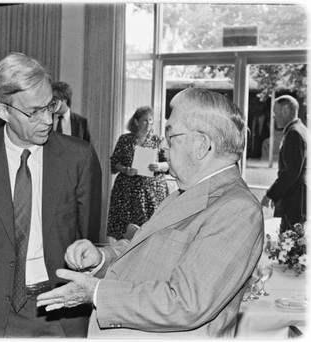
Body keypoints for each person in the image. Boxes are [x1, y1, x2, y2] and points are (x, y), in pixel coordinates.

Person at [37, 87, 264, 338]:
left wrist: (96, 292)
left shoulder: (237, 209)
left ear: (202, 145)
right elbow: (143, 248)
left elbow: (186, 303)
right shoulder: (186, 192)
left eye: (171, 134)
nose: (164, 144)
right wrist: (101, 257)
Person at [0, 52, 102, 337]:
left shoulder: (79, 157)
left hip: (63, 306)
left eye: (50, 106)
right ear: (3, 111)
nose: (47, 120)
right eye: (34, 111)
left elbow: (86, 234)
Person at [106, 106, 169, 240]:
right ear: (136, 122)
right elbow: (114, 162)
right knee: (125, 233)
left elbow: (169, 164)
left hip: (151, 193)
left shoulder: (159, 140)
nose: (148, 124)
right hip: (126, 193)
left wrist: (158, 165)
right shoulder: (125, 139)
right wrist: (125, 169)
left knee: (150, 231)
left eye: (150, 120)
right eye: (145, 120)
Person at [261, 95, 307, 231]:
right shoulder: (301, 130)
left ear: (285, 110)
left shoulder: (294, 133)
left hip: (295, 201)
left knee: (290, 246)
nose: (274, 117)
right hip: (299, 200)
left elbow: (290, 172)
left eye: (275, 112)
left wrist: (271, 194)